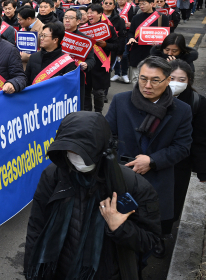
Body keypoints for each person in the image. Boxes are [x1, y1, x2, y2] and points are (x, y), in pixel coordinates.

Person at [24, 111, 161, 280]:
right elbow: (36, 226)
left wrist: (119, 228)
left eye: (83, 151)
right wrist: (31, 271)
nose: (75, 157)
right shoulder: (54, 175)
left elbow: (149, 240)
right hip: (57, 270)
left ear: (101, 149)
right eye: (69, 150)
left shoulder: (132, 185)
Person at [106, 56, 193, 259]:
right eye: (142, 78)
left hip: (157, 177)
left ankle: (153, 244)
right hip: (123, 174)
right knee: (120, 225)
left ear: (167, 80)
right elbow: (107, 135)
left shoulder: (181, 110)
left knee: (151, 224)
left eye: (155, 80)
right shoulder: (121, 101)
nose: (147, 85)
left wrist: (152, 161)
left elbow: (182, 147)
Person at [165, 60, 206, 243]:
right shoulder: (153, 95)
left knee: (173, 198)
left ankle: (164, 233)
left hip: (180, 162)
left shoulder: (197, 102)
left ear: (189, 80)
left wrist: (202, 169)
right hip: (152, 158)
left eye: (181, 79)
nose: (175, 82)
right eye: (172, 78)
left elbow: (200, 139)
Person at [126, 0, 169, 83]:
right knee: (136, 79)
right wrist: (131, 38)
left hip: (154, 52)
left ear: (152, 4)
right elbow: (131, 32)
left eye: (144, 3)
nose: (141, 6)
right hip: (137, 51)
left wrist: (159, 43)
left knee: (152, 79)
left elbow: (167, 35)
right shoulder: (136, 17)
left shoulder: (162, 18)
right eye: (140, 4)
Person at [84, 4, 119, 112]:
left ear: (100, 14)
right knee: (85, 92)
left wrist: (105, 45)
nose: (89, 15)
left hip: (102, 65)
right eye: (88, 13)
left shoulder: (108, 28)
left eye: (92, 13)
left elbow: (117, 46)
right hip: (86, 65)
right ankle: (87, 114)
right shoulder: (83, 28)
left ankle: (98, 113)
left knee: (99, 93)